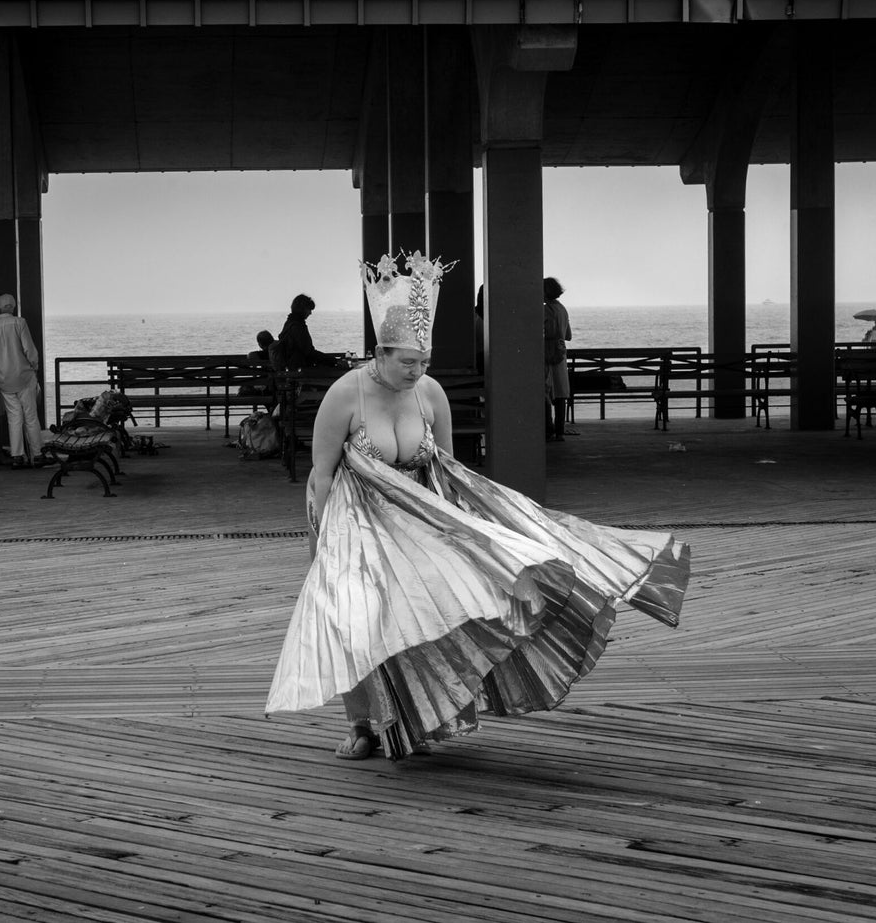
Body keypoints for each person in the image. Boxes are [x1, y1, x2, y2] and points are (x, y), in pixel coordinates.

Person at [265, 251, 690, 762]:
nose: (417, 371)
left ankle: (413, 718)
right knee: (359, 619)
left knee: (431, 610)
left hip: (421, 519)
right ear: (379, 352)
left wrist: (473, 535)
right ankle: (361, 725)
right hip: (356, 522)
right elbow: (323, 472)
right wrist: (322, 539)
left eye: (424, 361)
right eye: (407, 362)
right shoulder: (344, 394)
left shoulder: (430, 392)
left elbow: (447, 466)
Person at [0, 293, 46, 469]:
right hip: (24, 376)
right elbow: (29, 349)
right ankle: (37, 454)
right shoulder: (19, 323)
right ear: (12, 306)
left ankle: (18, 456)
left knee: (14, 417)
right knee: (31, 416)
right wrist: (35, 366)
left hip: (4, 379)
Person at [278, 294, 345, 370]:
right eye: (309, 309)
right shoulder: (297, 327)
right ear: (302, 309)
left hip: (293, 367)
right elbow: (309, 352)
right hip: (300, 369)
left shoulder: (289, 323)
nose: (310, 313)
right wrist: (334, 361)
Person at [544, 276, 573, 441]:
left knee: (546, 392)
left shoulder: (545, 310)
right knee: (561, 393)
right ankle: (560, 430)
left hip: (547, 355)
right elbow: (568, 335)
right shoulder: (563, 309)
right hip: (561, 355)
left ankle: (548, 430)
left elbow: (546, 332)